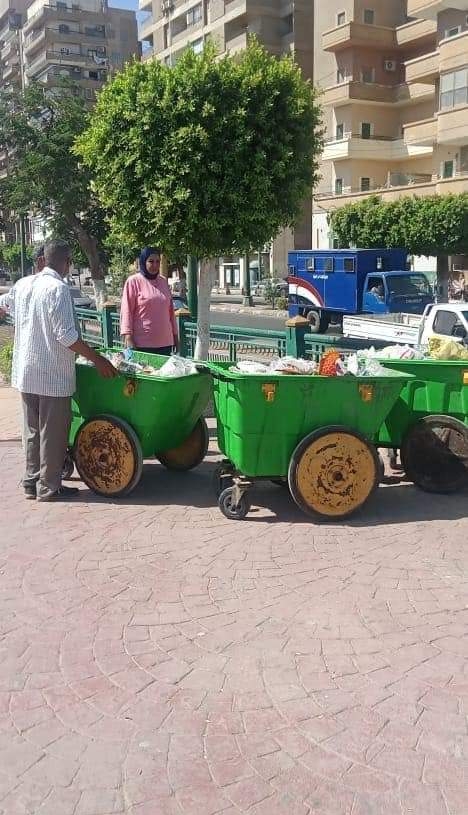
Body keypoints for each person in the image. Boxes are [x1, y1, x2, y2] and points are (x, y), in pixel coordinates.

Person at [0, 239, 117, 502]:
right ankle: (49, 486)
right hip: (51, 373)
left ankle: (31, 481)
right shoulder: (58, 289)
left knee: (32, 430)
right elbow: (66, 336)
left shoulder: (23, 284)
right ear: (67, 263)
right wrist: (98, 359)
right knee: (52, 433)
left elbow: (3, 306)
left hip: (25, 370)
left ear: (43, 260)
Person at [120, 246, 178, 355]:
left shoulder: (163, 281)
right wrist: (128, 337)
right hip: (142, 344)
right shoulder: (133, 282)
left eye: (157, 261)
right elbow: (127, 311)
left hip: (165, 343)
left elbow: (170, 313)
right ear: (143, 261)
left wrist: (175, 336)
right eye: (151, 261)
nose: (155, 265)